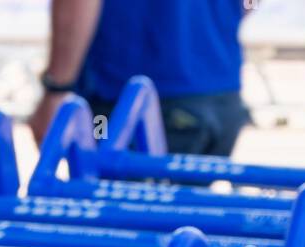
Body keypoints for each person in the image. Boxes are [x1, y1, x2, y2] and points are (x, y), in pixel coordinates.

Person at [30, 0, 249, 156]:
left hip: (125, 104)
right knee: (187, 212)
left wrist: (57, 89)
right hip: (223, 100)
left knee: (109, 202)